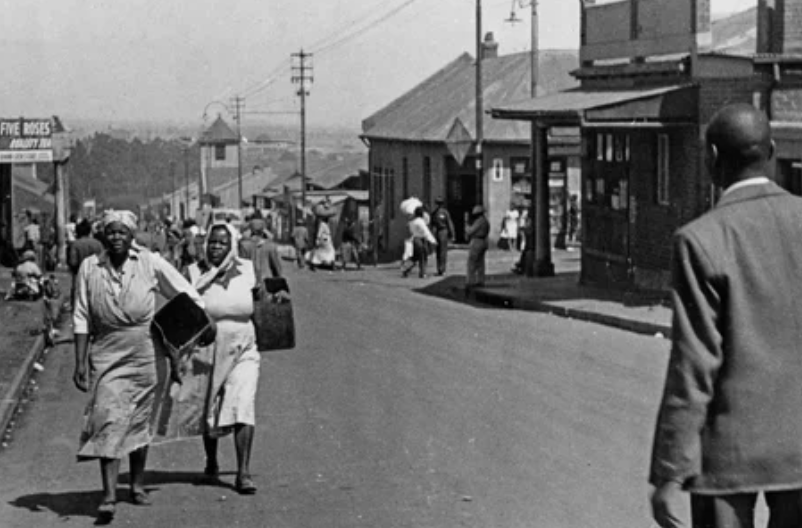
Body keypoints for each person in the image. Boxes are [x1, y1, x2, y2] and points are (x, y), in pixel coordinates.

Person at [649, 104, 802, 528]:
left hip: (727, 457)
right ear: (771, 152)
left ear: (712, 159)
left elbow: (693, 365)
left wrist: (670, 470)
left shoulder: (700, 240)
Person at [72, 210, 208, 521]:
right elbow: (80, 315)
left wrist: (188, 329)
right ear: (104, 236)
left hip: (146, 350)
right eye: (112, 232)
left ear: (132, 236)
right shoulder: (90, 267)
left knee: (139, 418)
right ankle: (108, 495)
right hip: (106, 349)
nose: (117, 237)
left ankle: (136, 485)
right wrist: (79, 361)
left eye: (123, 232)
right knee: (106, 416)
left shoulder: (149, 262)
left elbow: (186, 293)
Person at [158, 223, 264, 495]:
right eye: (212, 242)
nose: (216, 247)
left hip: (244, 346)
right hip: (206, 345)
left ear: (232, 246)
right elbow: (178, 307)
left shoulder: (249, 269)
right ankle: (212, 461)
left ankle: (243, 473)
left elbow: (261, 299)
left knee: (243, 403)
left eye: (222, 243)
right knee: (210, 406)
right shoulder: (193, 273)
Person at [67, 219, 104, 306]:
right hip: (96, 277)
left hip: (79, 278)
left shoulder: (75, 244)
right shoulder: (98, 244)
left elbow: (73, 262)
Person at [401, 206, 437, 278]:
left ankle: (405, 268)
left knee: (415, 257)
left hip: (414, 239)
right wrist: (433, 240)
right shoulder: (420, 221)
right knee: (423, 256)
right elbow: (426, 232)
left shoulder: (412, 221)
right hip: (420, 240)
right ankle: (422, 273)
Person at [465, 205, 489, 291]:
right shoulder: (485, 221)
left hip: (477, 241)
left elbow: (470, 231)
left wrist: (467, 227)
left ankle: (470, 281)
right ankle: (480, 280)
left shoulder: (479, 221)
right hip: (483, 241)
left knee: (472, 262)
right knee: (480, 263)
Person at [429, 197, 455, 276]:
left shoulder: (440, 212)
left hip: (441, 231)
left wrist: (452, 234)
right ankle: (441, 269)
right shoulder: (439, 213)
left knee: (440, 251)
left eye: (438, 203)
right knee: (440, 251)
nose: (438, 205)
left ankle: (441, 269)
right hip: (440, 231)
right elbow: (449, 223)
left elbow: (449, 223)